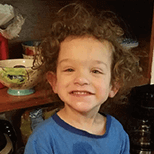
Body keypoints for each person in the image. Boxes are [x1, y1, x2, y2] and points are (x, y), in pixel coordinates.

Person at [24, 2, 142, 154]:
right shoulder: (42, 140)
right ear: (54, 82)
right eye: (70, 69)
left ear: (113, 85)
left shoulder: (118, 134)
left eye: (95, 71)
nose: (81, 79)